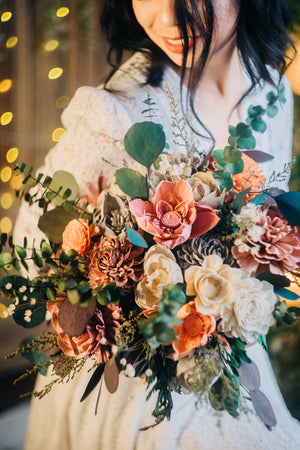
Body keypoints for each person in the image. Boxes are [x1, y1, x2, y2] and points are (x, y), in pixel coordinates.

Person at [14, 1, 300, 448]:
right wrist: (120, 285)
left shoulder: (273, 93)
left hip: (235, 370)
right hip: (133, 387)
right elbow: (28, 252)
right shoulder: (115, 114)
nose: (168, 20)